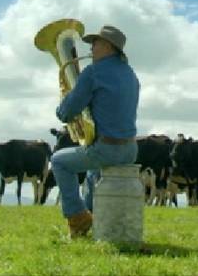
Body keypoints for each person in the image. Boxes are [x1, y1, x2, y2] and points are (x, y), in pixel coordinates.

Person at [50, 24, 140, 238]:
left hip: (107, 149)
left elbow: (67, 112)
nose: (91, 49)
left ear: (108, 47)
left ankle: (77, 217)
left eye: (95, 44)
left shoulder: (93, 72)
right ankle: (93, 223)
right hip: (130, 149)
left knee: (59, 161)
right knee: (92, 173)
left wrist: (62, 104)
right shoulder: (130, 74)